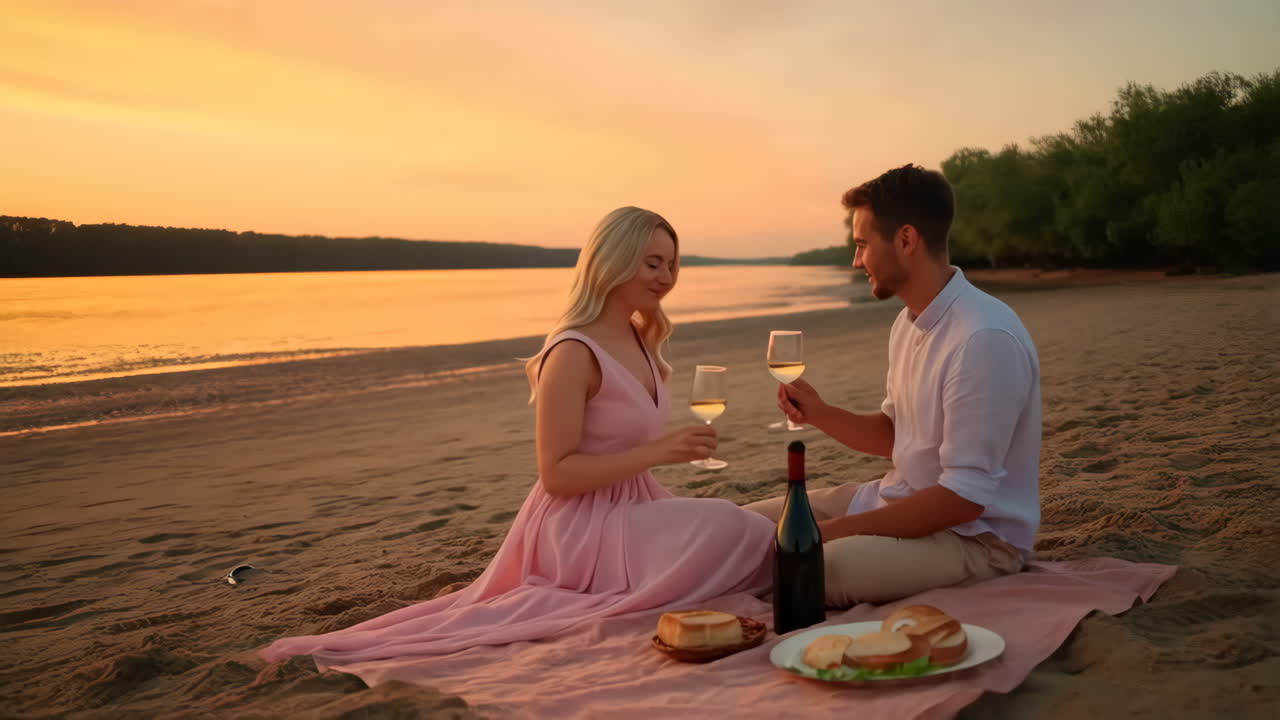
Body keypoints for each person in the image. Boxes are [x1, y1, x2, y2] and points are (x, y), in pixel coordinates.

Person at [260, 207, 774, 668]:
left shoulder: (642, 339)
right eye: (651, 263)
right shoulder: (573, 351)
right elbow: (556, 475)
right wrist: (658, 452)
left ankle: (826, 538)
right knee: (725, 525)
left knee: (736, 525)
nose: (665, 277)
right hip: (577, 528)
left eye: (670, 263)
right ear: (612, 262)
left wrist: (654, 460)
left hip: (630, 508)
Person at [745, 164, 1040, 607]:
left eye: (862, 244)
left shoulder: (983, 340)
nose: (856, 260)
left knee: (815, 564)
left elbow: (963, 500)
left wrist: (835, 532)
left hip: (975, 539)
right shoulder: (909, 322)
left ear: (905, 240)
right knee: (741, 531)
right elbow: (896, 435)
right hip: (896, 502)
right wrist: (819, 412)